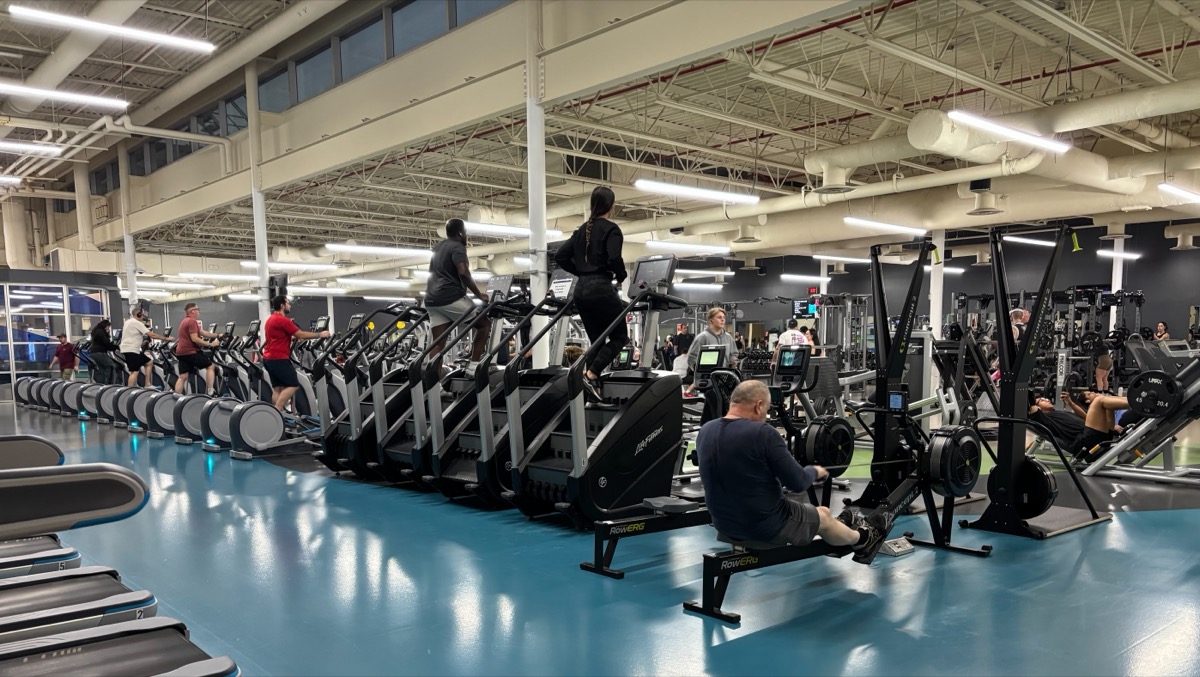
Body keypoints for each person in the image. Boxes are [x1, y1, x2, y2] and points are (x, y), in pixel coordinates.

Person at [696, 380, 884, 562]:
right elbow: (798, 482)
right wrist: (814, 471)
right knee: (824, 517)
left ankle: (839, 527)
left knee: (821, 511)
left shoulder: (706, 430)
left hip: (724, 524)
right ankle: (862, 539)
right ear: (759, 405)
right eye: (767, 410)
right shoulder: (763, 433)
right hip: (766, 525)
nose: (766, 416)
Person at [553, 186, 627, 401]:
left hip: (581, 291)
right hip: (601, 288)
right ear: (611, 206)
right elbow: (614, 258)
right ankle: (592, 373)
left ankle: (587, 380)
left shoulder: (581, 230)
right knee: (620, 336)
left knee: (597, 339)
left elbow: (560, 256)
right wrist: (621, 276)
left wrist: (582, 272)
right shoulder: (611, 229)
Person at [425, 218, 491, 373]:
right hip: (451, 297)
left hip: (432, 300)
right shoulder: (457, 246)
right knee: (484, 324)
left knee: (438, 343)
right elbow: (463, 272)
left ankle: (435, 389)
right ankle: (474, 366)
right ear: (461, 233)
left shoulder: (438, 247)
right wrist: (479, 294)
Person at [263, 296, 331, 413]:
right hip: (279, 358)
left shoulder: (270, 319)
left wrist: (291, 337)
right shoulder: (283, 320)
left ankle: (275, 414)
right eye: (288, 303)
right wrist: (320, 334)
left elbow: (278, 336)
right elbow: (301, 335)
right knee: (293, 384)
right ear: (282, 305)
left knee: (277, 388)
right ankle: (277, 411)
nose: (290, 306)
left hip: (268, 358)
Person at [686, 307, 739, 395]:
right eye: (719, 317)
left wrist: (733, 361)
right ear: (711, 320)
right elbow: (691, 358)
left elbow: (734, 353)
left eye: (724, 318)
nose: (722, 320)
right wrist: (700, 370)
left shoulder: (728, 337)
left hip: (725, 378)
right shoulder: (703, 337)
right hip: (708, 379)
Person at [173, 303, 222, 396]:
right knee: (211, 366)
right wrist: (211, 344)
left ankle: (176, 396)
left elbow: (203, 333)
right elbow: (195, 338)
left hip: (181, 352)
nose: (199, 311)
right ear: (193, 311)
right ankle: (211, 391)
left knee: (183, 376)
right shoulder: (192, 321)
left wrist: (218, 335)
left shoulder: (184, 321)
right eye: (197, 309)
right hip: (190, 352)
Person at [120, 306, 170, 388]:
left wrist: (143, 343)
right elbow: (152, 335)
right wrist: (166, 338)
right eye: (142, 315)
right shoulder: (137, 323)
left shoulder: (128, 322)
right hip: (132, 350)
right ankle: (129, 390)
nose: (143, 317)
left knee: (148, 362)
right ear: (139, 315)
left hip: (129, 349)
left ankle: (142, 385)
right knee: (134, 371)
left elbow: (132, 336)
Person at [88, 320, 120, 384]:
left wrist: (113, 347)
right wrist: (116, 347)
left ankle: (102, 384)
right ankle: (111, 384)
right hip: (99, 353)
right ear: (104, 325)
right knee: (111, 366)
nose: (108, 328)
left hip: (95, 353)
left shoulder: (97, 331)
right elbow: (106, 343)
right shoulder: (101, 332)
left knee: (102, 370)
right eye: (108, 326)